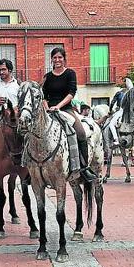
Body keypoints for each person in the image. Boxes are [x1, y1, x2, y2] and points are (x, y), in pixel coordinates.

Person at [42, 47, 97, 182]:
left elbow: (71, 93)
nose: (57, 60)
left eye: (60, 57)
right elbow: (43, 96)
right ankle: (31, 168)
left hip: (66, 109)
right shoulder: (47, 77)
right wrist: (47, 108)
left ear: (64, 59)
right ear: (51, 60)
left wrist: (58, 107)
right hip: (48, 110)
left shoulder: (70, 73)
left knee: (81, 133)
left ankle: (84, 168)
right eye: (54, 57)